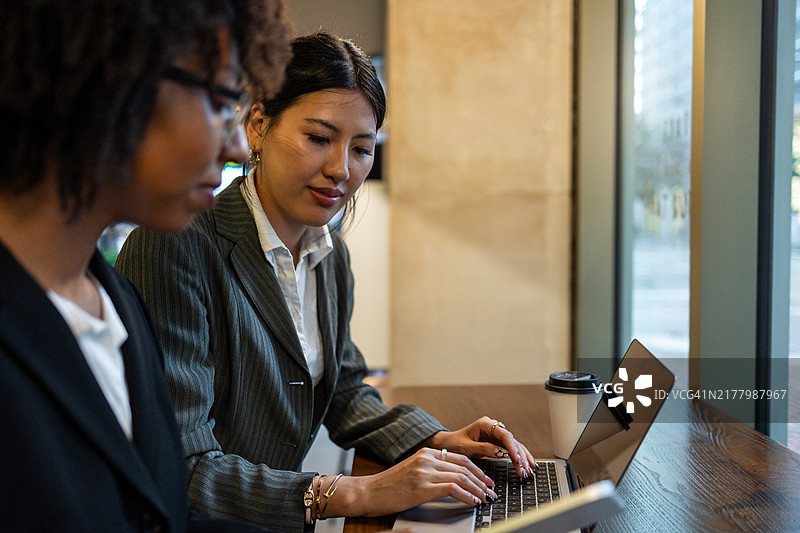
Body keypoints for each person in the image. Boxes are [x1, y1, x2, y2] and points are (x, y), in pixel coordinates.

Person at [116, 31, 538, 531]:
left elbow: (344, 391)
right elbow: (183, 466)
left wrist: (438, 438)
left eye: (362, 148)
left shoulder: (328, 252)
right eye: (318, 138)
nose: (340, 170)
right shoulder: (178, 243)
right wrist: (359, 491)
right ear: (257, 126)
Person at [0, 1, 294, 531]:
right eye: (223, 100)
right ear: (112, 78)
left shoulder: (116, 299)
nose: (235, 145)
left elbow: (161, 519)